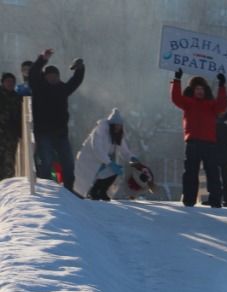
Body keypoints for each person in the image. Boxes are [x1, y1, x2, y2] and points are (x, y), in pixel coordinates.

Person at [170, 69, 227, 208]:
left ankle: (215, 200)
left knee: (213, 172)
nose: (200, 91)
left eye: (202, 89)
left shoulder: (212, 105)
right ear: (193, 90)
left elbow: (222, 105)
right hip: (193, 142)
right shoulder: (188, 103)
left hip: (209, 143)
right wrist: (177, 80)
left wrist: (222, 86)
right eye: (197, 89)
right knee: (191, 172)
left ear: (206, 90)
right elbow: (175, 98)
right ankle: (189, 199)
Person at [28, 50, 85, 190]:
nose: (53, 78)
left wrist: (80, 69)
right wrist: (42, 58)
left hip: (60, 132)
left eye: (55, 76)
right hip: (43, 132)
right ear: (45, 77)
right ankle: (46, 187)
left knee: (68, 162)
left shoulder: (62, 89)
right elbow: (33, 73)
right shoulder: (38, 87)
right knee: (46, 160)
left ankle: (69, 188)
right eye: (50, 76)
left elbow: (75, 81)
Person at [72, 109, 135, 201]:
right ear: (111, 125)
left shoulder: (117, 135)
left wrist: (132, 158)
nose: (118, 127)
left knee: (115, 171)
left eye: (119, 126)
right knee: (81, 186)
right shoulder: (100, 131)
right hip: (88, 161)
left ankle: (101, 191)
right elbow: (97, 150)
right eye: (116, 125)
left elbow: (125, 151)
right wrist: (109, 163)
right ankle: (93, 192)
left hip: (103, 162)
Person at [0, 73, 20, 181]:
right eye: (7, 81)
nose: (10, 84)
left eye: (12, 82)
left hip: (11, 136)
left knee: (9, 163)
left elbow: (19, 116)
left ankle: (6, 187)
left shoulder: (17, 98)